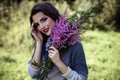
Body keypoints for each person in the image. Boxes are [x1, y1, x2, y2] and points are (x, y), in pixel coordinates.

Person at [28, 2, 88, 80]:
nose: (41, 27)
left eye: (44, 20)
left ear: (53, 16)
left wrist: (58, 62)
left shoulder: (75, 46)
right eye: (37, 25)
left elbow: (82, 78)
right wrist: (39, 43)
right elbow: (33, 74)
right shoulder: (42, 43)